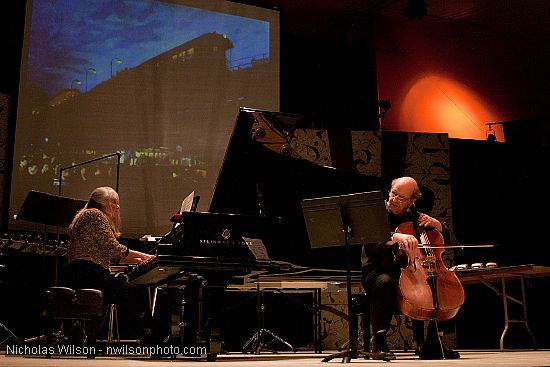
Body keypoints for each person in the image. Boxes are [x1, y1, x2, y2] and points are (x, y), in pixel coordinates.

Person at [361, 176, 460, 360]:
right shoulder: (374, 213)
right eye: (393, 193)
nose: (394, 199)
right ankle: (379, 342)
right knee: (385, 282)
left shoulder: (417, 218)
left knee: (443, 284)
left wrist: (440, 226)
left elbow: (453, 243)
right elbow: (370, 245)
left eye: (401, 198)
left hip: (413, 272)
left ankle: (435, 341)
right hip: (378, 271)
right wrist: (394, 237)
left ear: (411, 201)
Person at [64, 186, 156, 344]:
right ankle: (148, 336)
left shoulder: (86, 215)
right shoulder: (95, 214)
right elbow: (113, 249)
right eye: (114, 202)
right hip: (88, 273)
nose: (118, 206)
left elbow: (111, 254)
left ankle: (144, 335)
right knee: (134, 290)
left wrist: (141, 260)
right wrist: (146, 257)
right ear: (102, 202)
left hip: (82, 271)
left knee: (127, 289)